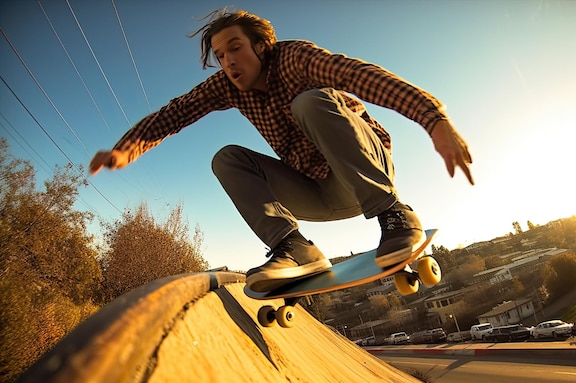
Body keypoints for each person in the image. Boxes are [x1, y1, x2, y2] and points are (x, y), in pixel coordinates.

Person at [89, 8, 474, 293]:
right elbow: (178, 110)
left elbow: (358, 74)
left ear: (261, 45)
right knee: (227, 158)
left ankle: (395, 216)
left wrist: (433, 118)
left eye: (235, 49)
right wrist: (128, 148)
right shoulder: (227, 86)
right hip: (319, 194)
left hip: (366, 172)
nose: (229, 63)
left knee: (309, 102)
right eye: (221, 56)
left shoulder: (294, 58)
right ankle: (293, 247)